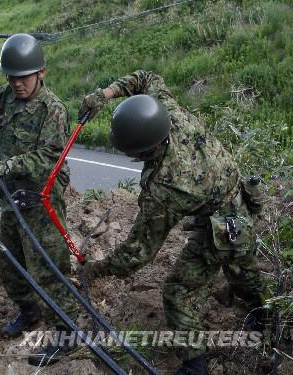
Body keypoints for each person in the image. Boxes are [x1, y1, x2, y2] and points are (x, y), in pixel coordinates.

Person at [79, 70, 264, 375]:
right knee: (242, 267)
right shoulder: (167, 110)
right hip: (239, 196)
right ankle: (263, 311)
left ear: (142, 150)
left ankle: (195, 364)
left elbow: (138, 252)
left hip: (223, 226)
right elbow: (146, 76)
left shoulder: (165, 188)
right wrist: (105, 94)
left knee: (178, 293)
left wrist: (98, 268)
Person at [0, 33, 78, 366]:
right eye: (11, 77)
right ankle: (29, 312)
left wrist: (10, 165)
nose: (17, 84)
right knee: (10, 264)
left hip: (42, 199)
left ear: (41, 72)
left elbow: (51, 156)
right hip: (11, 197)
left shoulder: (52, 109)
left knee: (49, 268)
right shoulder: (8, 96)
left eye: (23, 77)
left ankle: (66, 333)